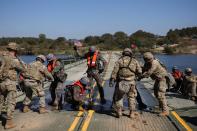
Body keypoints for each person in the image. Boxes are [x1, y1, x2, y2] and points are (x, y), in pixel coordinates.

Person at [109, 48, 142, 118]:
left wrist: (112, 80)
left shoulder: (119, 61)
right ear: (131, 53)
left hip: (121, 82)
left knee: (119, 97)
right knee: (131, 97)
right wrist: (137, 76)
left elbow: (114, 72)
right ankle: (132, 113)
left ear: (123, 53)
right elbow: (139, 72)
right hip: (131, 82)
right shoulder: (135, 61)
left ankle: (119, 112)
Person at [0, 42, 26, 129]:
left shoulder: (2, 56)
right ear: (15, 50)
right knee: (11, 102)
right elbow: (23, 69)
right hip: (10, 83)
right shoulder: (14, 59)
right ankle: (9, 122)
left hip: (1, 83)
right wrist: (20, 60)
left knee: (1, 101)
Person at [141, 52, 169, 116]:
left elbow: (149, 72)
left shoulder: (154, 62)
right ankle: (160, 107)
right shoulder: (147, 63)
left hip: (162, 79)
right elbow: (144, 69)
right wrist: (139, 74)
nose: (148, 61)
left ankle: (165, 111)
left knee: (161, 95)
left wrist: (140, 77)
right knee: (156, 93)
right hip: (158, 79)